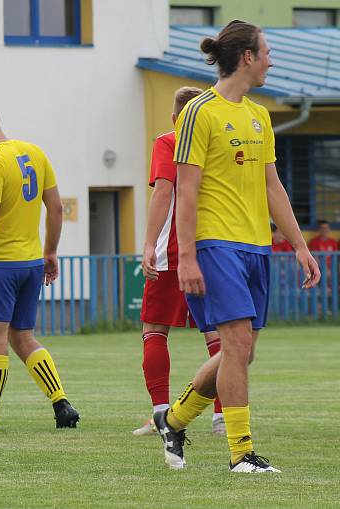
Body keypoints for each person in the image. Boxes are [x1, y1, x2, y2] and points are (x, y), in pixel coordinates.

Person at [155, 20, 320, 473]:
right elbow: (185, 190)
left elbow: (273, 187)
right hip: (214, 244)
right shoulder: (198, 112)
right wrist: (186, 255)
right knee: (235, 342)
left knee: (240, 352)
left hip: (255, 246)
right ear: (247, 56)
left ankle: (172, 420)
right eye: (267, 51)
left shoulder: (259, 114)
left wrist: (300, 246)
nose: (272, 60)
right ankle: (241, 453)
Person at [0, 105, 79, 432]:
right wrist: (50, 251)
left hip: (0, 265)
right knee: (23, 336)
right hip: (31, 263)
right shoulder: (35, 153)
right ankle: (61, 403)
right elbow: (55, 207)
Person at [136, 87, 224, 437]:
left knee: (155, 329)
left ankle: (161, 414)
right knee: (219, 334)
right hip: (216, 248)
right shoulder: (218, 142)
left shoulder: (169, 141)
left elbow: (163, 191)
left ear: (175, 118)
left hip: (173, 251)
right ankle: (223, 417)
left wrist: (147, 244)